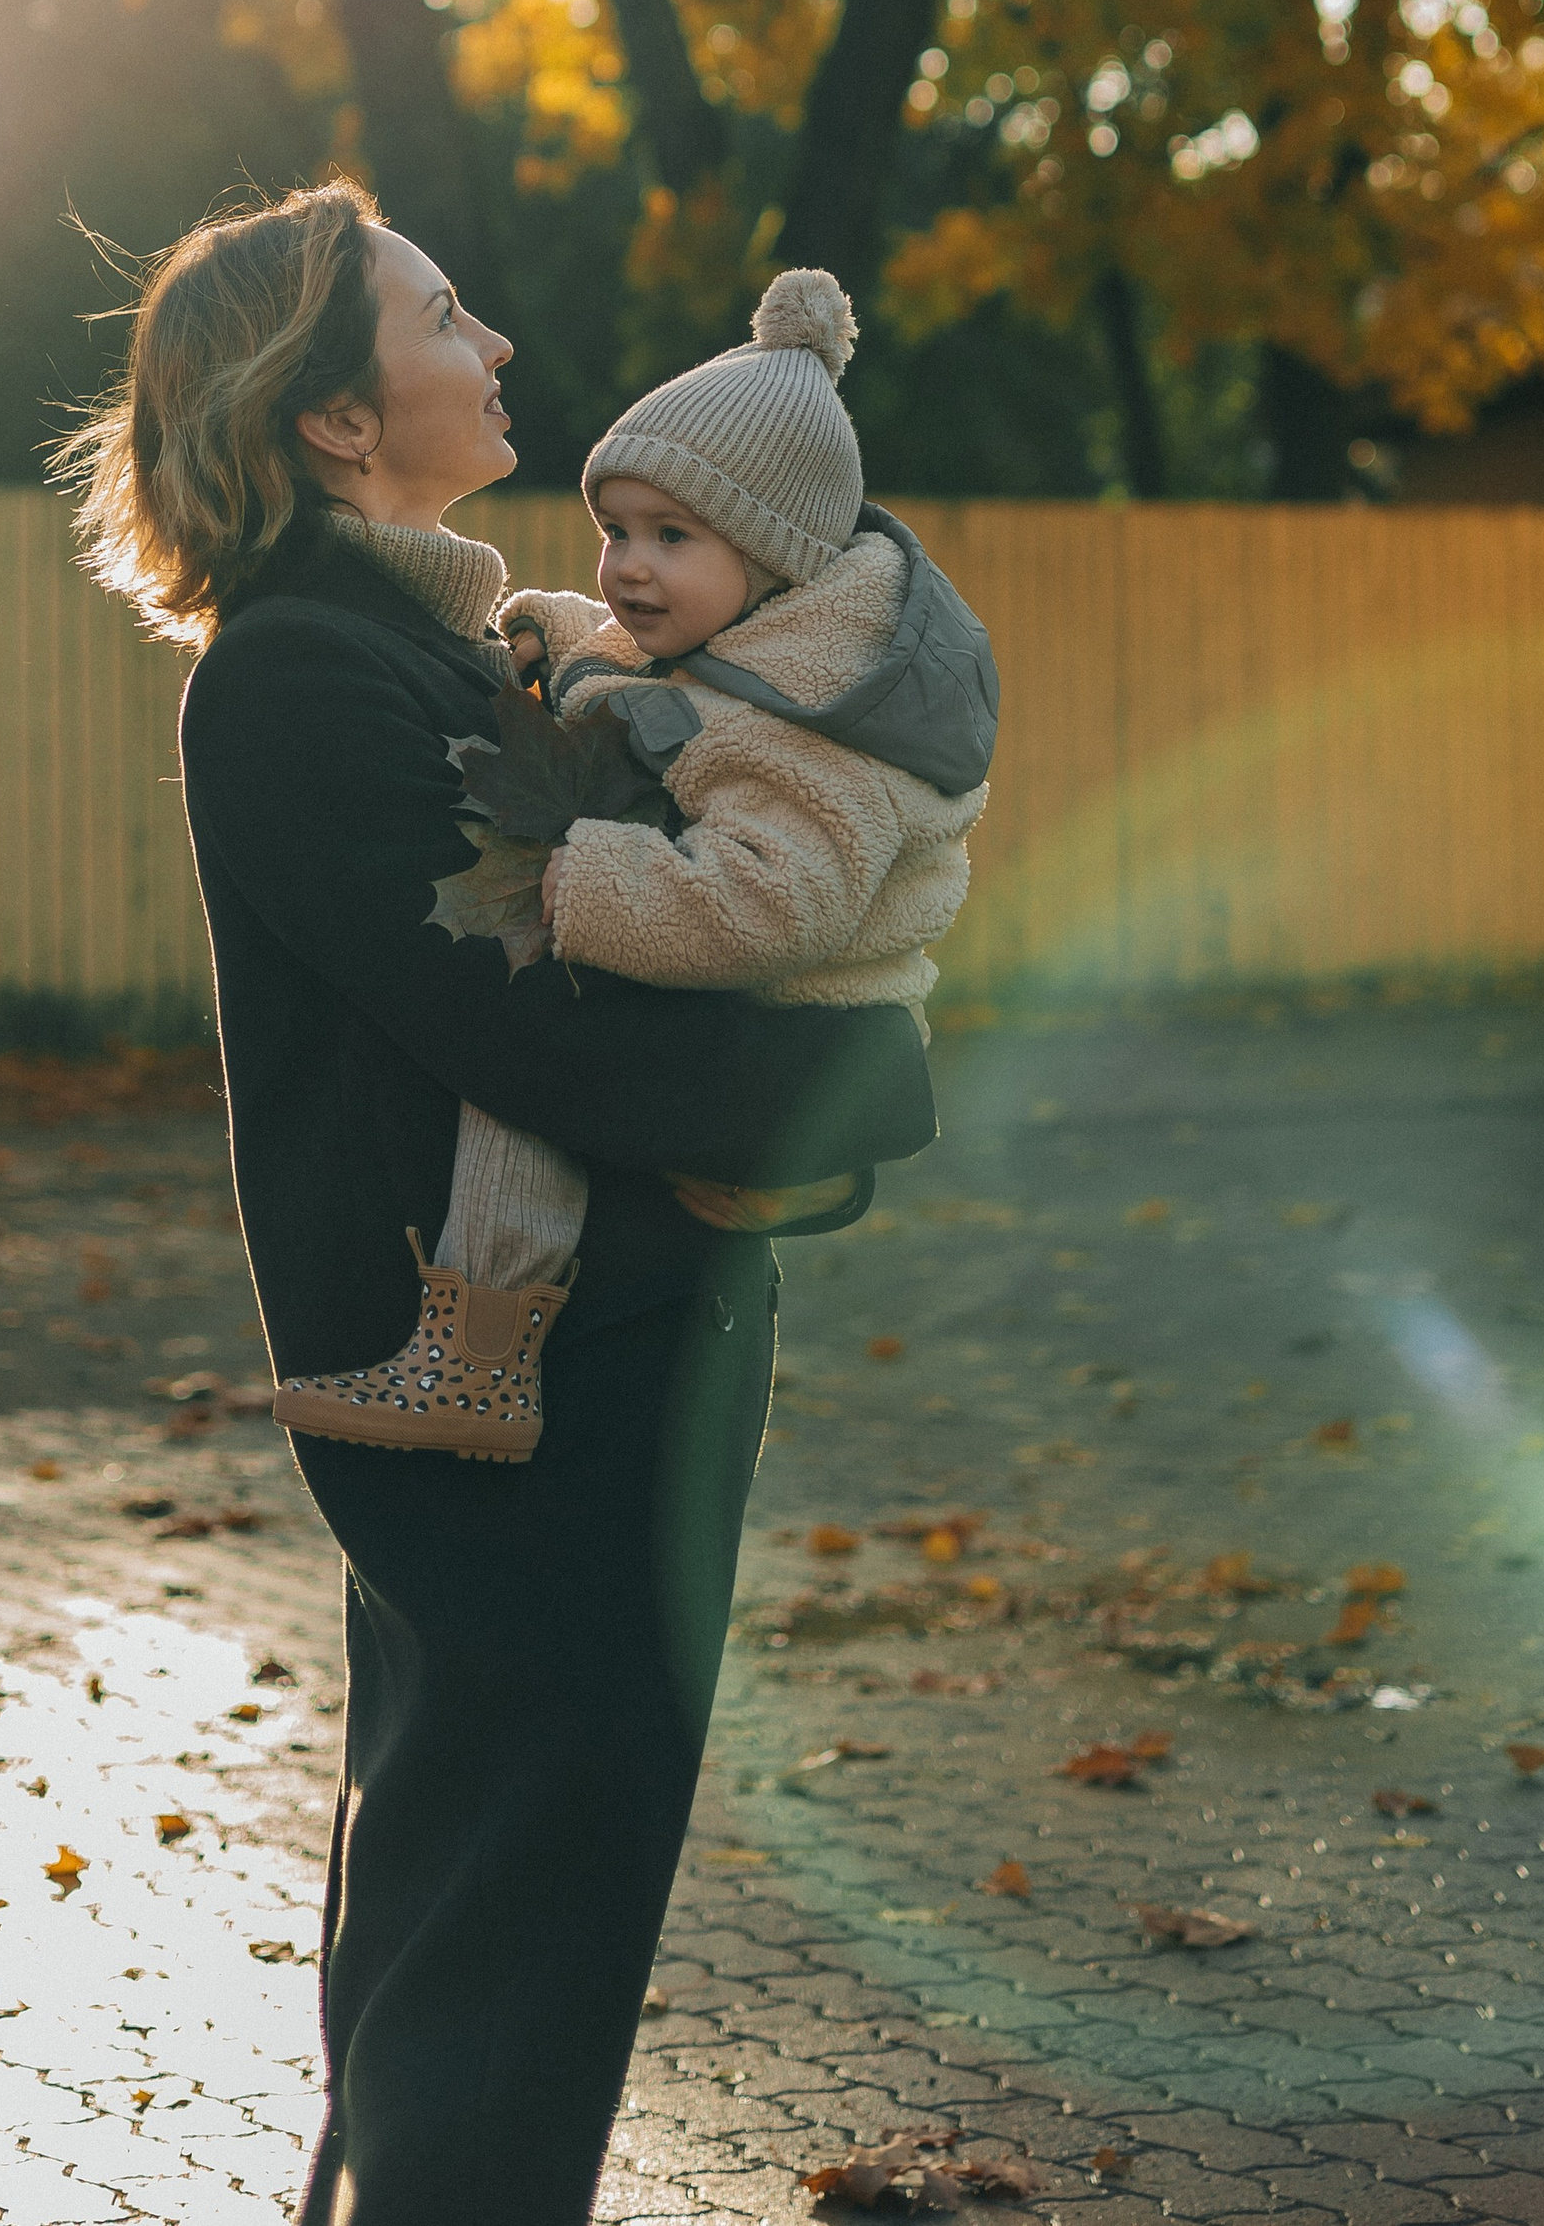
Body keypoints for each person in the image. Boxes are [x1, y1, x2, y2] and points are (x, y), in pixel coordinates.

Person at [63, 180, 935, 2226]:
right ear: (335, 415)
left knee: (469, 1901)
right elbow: (526, 1015)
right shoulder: (300, 674)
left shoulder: (428, 647)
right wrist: (865, 1082)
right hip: (517, 1390)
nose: (498, 343)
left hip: (581, 1364)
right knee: (508, 1933)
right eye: (443, 313)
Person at [271, 266, 998, 1462]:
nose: (627, 567)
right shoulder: (743, 634)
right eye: (615, 530)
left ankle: (480, 1352)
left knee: (519, 1098)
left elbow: (772, 900)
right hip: (748, 1042)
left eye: (671, 536)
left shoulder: (807, 723)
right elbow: (635, 672)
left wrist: (580, 876)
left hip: (797, 998)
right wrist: (552, 632)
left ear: (771, 556)